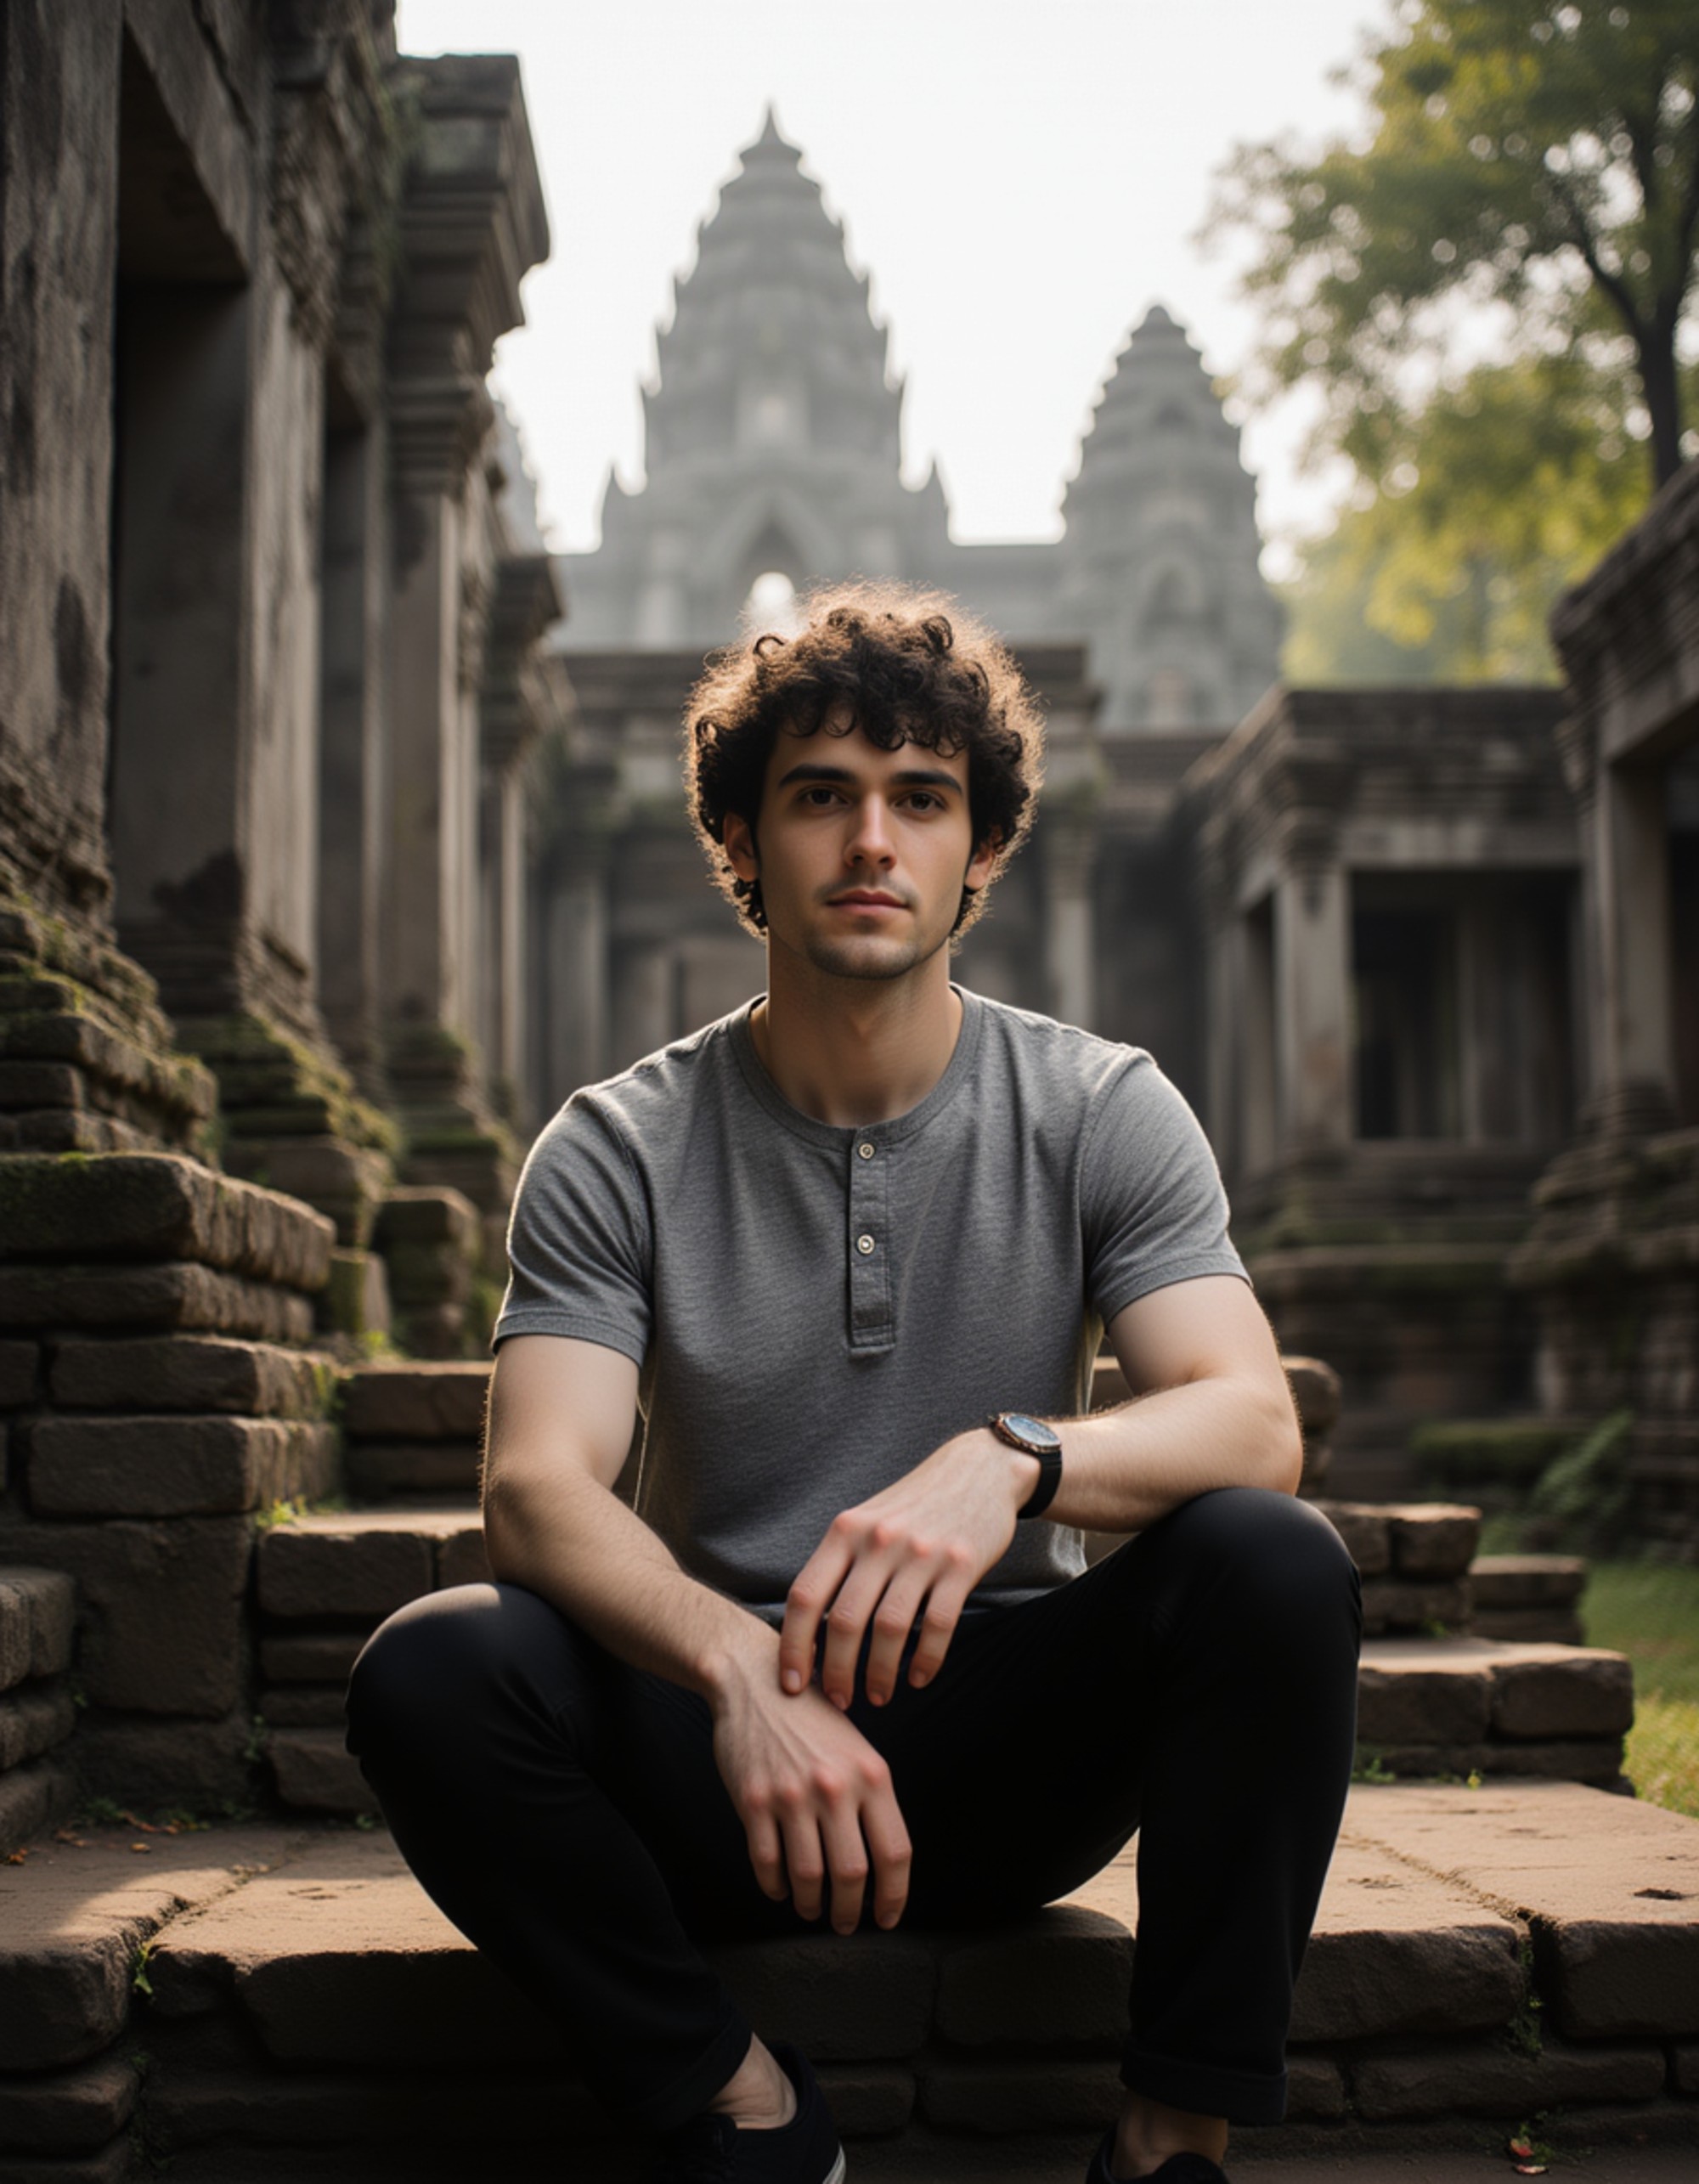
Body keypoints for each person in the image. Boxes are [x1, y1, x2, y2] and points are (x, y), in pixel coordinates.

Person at [346, 584, 1362, 2184]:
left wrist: (1015, 1460)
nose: (872, 840)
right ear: (745, 844)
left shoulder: (1105, 1109)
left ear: (983, 851)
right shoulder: (617, 1143)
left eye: (922, 800)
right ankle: (740, 2104)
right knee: (429, 1671)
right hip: (724, 1772)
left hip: (1009, 1754)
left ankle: (1172, 2142)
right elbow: (536, 1487)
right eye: (821, 796)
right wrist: (739, 1676)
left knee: (1272, 1563)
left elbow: (1253, 1419)